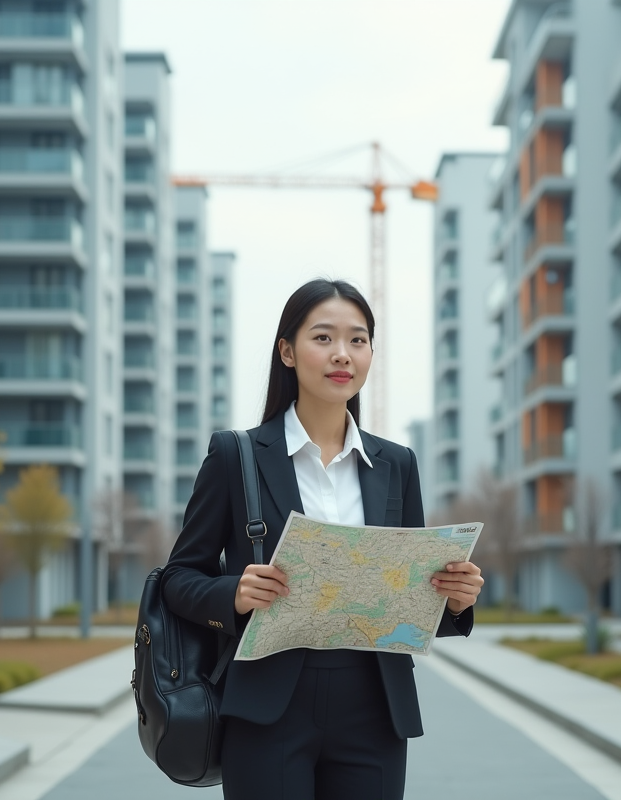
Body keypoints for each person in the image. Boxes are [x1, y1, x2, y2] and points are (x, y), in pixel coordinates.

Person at [162, 278, 484, 800]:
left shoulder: (396, 464)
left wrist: (453, 599)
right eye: (323, 338)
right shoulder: (234, 456)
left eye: (358, 340)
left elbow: (412, 594)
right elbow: (178, 578)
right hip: (268, 708)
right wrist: (233, 595)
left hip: (376, 708)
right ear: (287, 351)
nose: (343, 355)